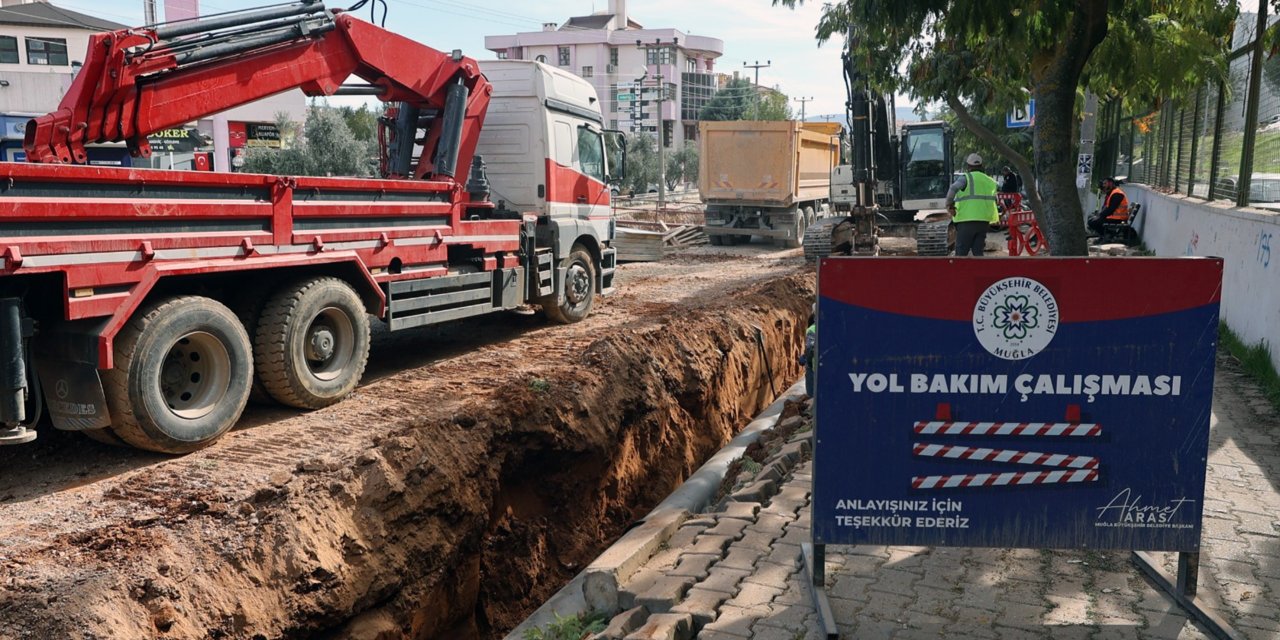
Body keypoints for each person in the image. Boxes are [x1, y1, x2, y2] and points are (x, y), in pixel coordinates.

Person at [945, 153, 1001, 256]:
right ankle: (979, 271)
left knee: (961, 252)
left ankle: (960, 271)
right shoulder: (990, 181)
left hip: (966, 220)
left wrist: (949, 205)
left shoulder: (966, 178)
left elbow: (953, 189)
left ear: (968, 166)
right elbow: (995, 199)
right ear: (981, 166)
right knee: (978, 251)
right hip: (983, 221)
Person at [799, 309, 816, 398]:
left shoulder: (812, 329)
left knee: (813, 397)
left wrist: (806, 359)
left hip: (814, 368)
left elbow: (810, 348)